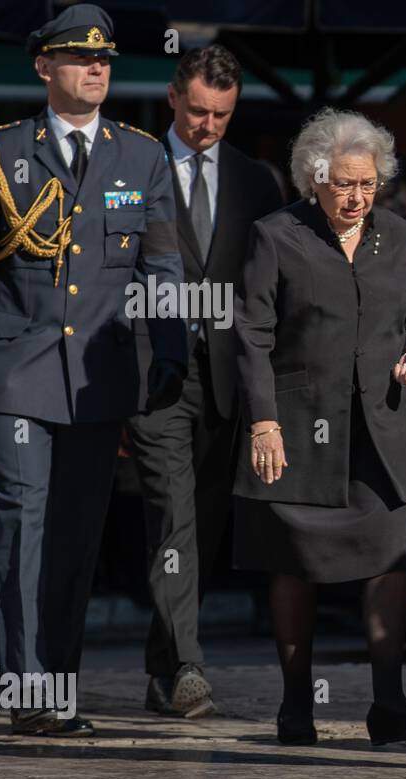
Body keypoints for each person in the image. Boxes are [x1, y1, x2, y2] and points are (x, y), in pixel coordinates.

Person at [0, 4, 187, 735]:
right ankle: (24, 686)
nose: (96, 68)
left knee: (74, 535)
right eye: (77, 57)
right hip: (16, 371)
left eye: (104, 59)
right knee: (19, 526)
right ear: (43, 67)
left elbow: (161, 262)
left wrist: (173, 351)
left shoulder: (141, 155)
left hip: (98, 378)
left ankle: (57, 681)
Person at [233, 108, 406, 746]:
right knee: (294, 565)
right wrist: (264, 422)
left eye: (369, 184)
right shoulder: (275, 235)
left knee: (391, 560)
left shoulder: (399, 234)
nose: (357, 197)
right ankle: (296, 708)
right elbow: (251, 334)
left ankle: (390, 705)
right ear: (313, 178)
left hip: (381, 429)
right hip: (298, 432)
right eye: (344, 184)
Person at [125, 44, 284, 720]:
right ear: (171, 97)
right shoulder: (127, 170)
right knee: (172, 515)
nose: (206, 125)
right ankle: (188, 665)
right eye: (196, 111)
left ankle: (164, 671)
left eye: (221, 114)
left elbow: (269, 291)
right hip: (151, 375)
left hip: (226, 382)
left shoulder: (256, 181)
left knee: (203, 526)